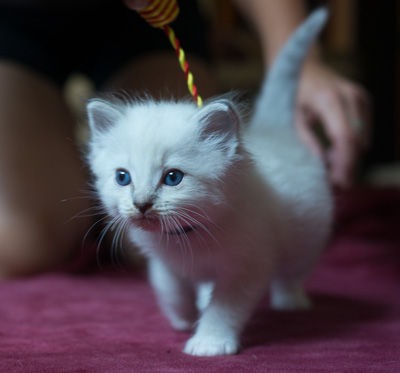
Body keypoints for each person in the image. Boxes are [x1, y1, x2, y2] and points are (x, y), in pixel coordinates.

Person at [0, 0, 370, 279]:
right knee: (22, 244)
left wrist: (300, 61)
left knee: (175, 240)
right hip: (15, 18)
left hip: (151, 18)